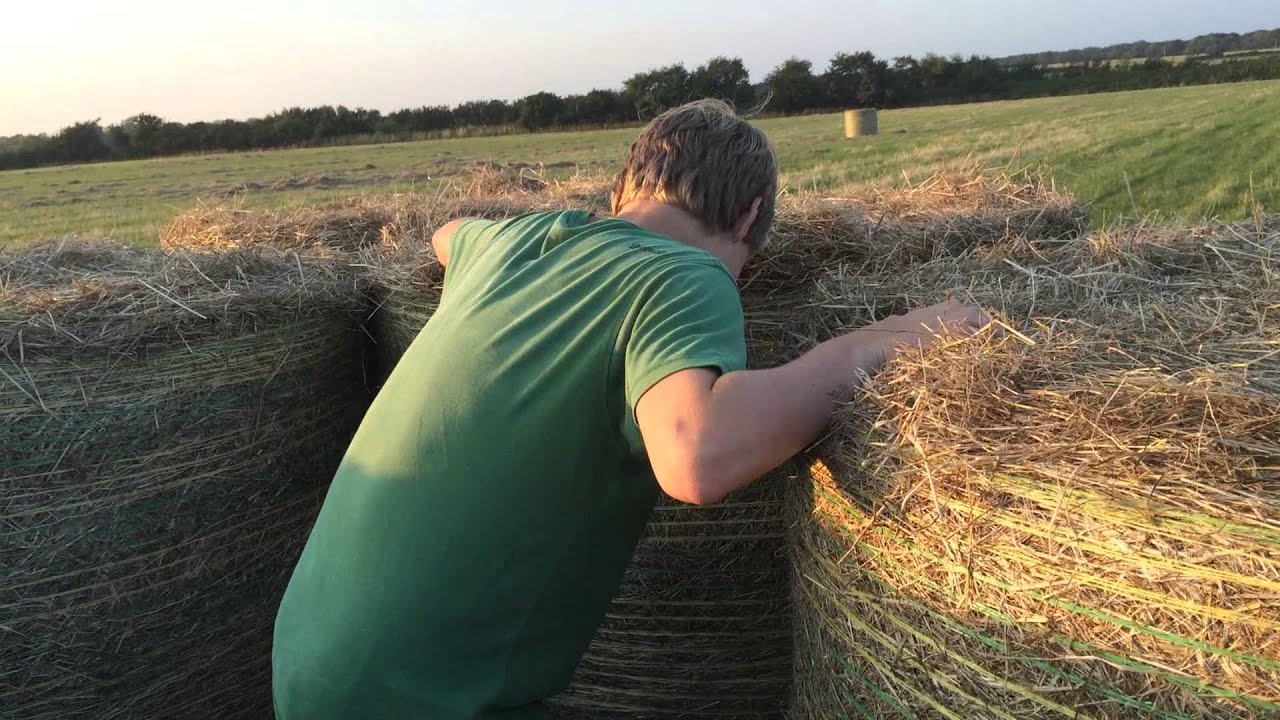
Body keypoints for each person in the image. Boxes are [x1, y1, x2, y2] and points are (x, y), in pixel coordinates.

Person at [271, 99, 988, 719]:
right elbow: (698, 457)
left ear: (622, 190)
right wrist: (877, 343)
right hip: (424, 699)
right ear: (748, 218)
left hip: (309, 660)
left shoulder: (503, 242)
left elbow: (447, 232)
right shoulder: (685, 273)